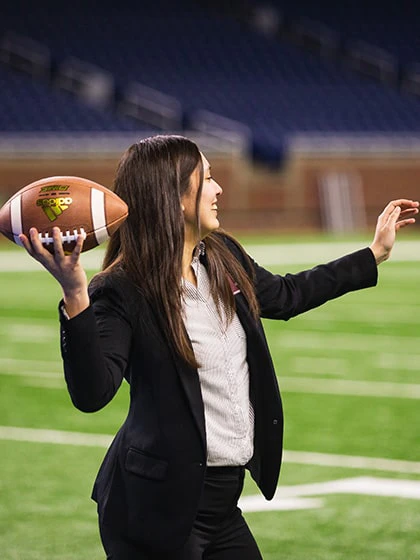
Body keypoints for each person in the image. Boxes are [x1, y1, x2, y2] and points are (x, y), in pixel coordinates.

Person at [20, 135, 418, 559]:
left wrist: (373, 253)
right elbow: (92, 393)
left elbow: (287, 294)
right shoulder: (122, 289)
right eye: (207, 178)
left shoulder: (222, 255)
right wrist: (76, 295)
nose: (219, 189)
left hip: (222, 505)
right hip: (156, 510)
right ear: (174, 198)